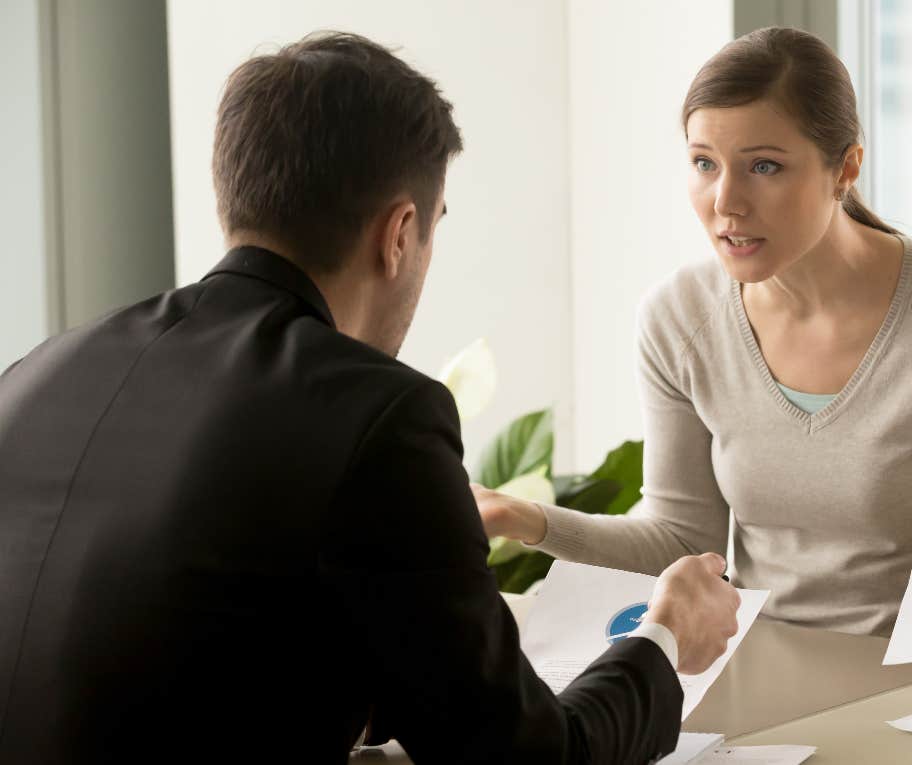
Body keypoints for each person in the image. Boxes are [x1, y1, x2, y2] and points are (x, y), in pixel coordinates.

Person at [0, 32, 739, 764]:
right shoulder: (377, 415)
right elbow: (527, 755)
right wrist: (662, 638)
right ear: (399, 234)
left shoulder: (37, 372)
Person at [476, 27, 912, 638]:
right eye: (703, 164)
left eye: (764, 166)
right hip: (754, 673)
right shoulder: (678, 320)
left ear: (846, 167)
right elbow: (681, 540)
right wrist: (522, 519)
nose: (726, 203)